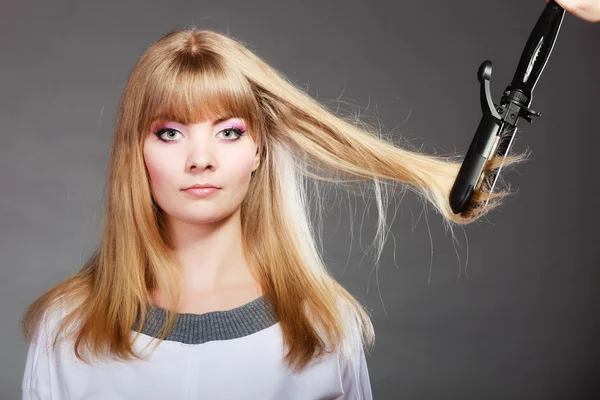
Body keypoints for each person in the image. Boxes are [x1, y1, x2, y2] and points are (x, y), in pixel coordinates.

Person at [20, 0, 596, 398]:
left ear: (259, 151)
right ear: (136, 152)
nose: (201, 159)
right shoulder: (66, 328)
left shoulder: (322, 326)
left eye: (229, 131)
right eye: (170, 132)